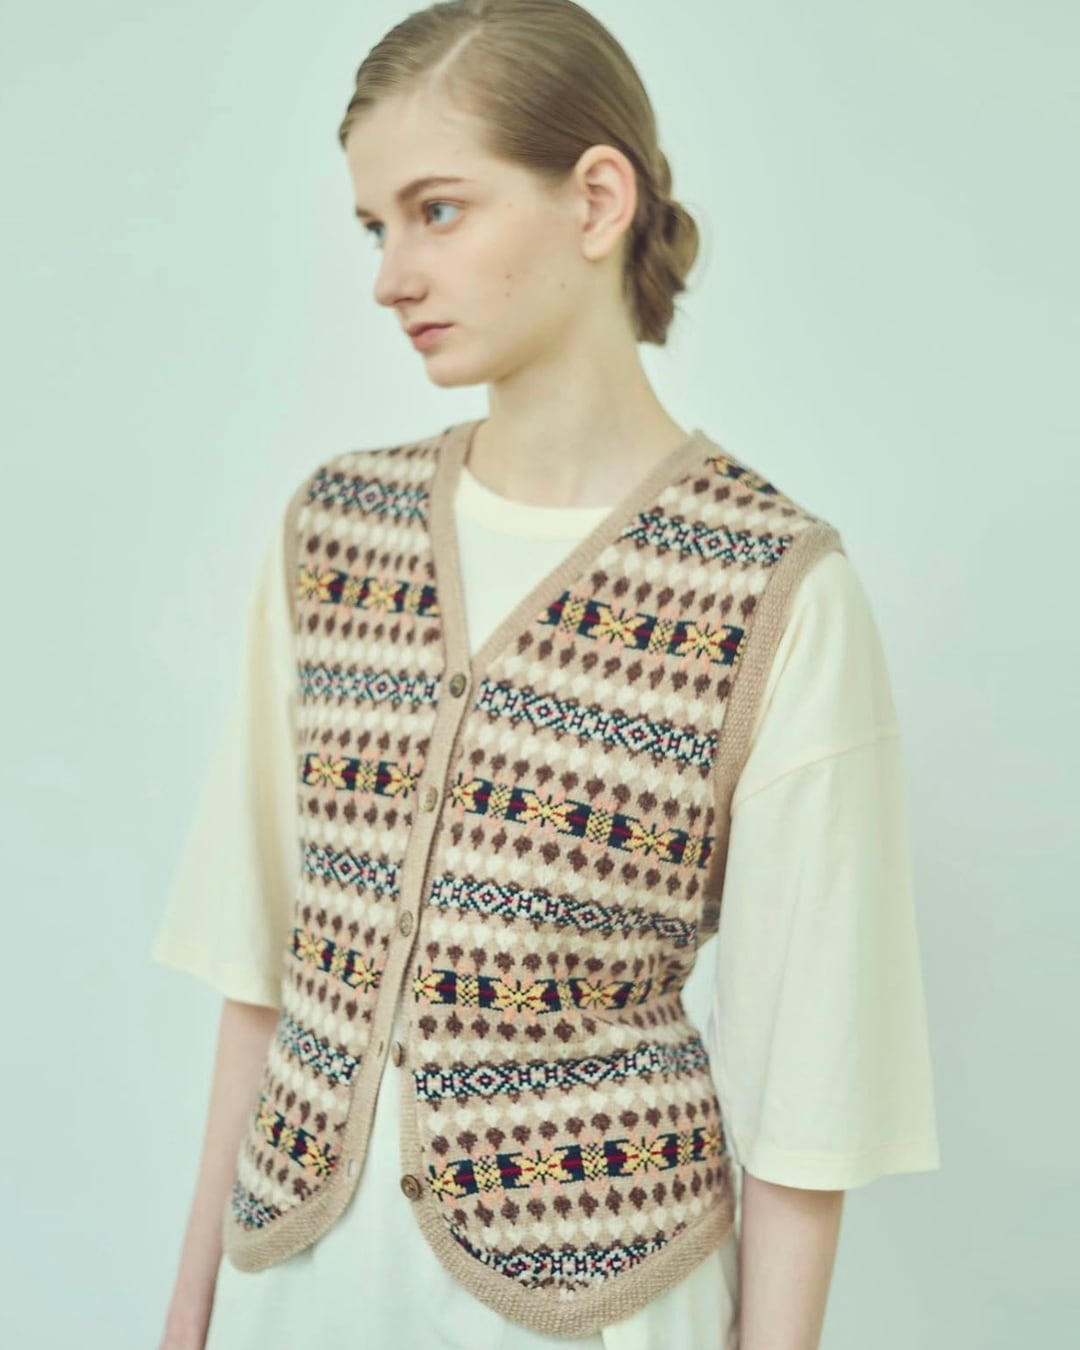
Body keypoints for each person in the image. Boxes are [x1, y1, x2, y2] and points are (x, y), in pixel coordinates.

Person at [151, 3, 941, 1347]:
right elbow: (261, 977)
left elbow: (807, 1104)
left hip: (603, 1300)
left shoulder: (773, 589)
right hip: (299, 1285)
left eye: (437, 211)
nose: (391, 276)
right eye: (375, 227)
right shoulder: (334, 535)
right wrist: (190, 1316)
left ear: (597, 200)